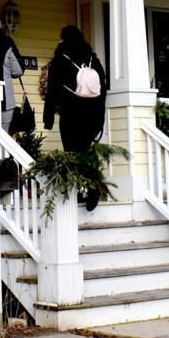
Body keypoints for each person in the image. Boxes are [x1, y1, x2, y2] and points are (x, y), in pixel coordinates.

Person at [44, 25, 108, 209]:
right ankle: (88, 187)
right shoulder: (92, 59)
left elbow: (52, 90)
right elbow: (102, 88)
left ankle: (85, 189)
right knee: (84, 152)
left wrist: (48, 118)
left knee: (72, 153)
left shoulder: (60, 60)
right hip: (93, 115)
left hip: (71, 114)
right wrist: (100, 117)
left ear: (64, 39)